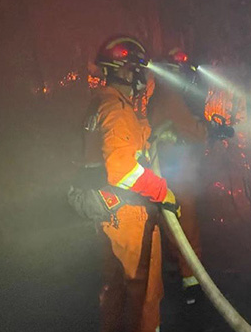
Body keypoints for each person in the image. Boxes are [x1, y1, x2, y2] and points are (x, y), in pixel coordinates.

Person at [81, 35, 177, 332]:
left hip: (107, 215)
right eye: (139, 69)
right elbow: (122, 169)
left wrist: (155, 132)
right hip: (129, 217)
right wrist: (163, 192)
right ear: (125, 70)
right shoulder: (117, 110)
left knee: (114, 290)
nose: (143, 77)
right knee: (146, 293)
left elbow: (124, 140)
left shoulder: (105, 103)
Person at [147, 49, 233, 307]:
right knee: (187, 223)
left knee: (171, 222)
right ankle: (192, 283)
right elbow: (191, 131)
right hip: (177, 172)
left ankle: (176, 270)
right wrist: (210, 130)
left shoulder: (160, 96)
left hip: (166, 170)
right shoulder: (171, 96)